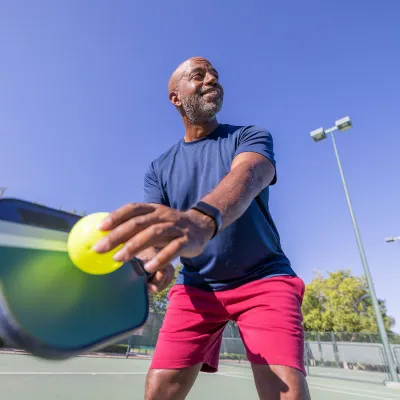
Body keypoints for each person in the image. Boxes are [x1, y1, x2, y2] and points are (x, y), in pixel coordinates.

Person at [93, 57, 311, 400]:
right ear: (175, 97)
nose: (212, 79)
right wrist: (155, 262)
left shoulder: (250, 136)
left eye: (214, 75)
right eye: (199, 75)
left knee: (287, 393)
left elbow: (250, 176)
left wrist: (202, 219)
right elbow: (158, 228)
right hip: (197, 288)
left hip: (264, 279)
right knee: (159, 391)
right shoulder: (159, 167)